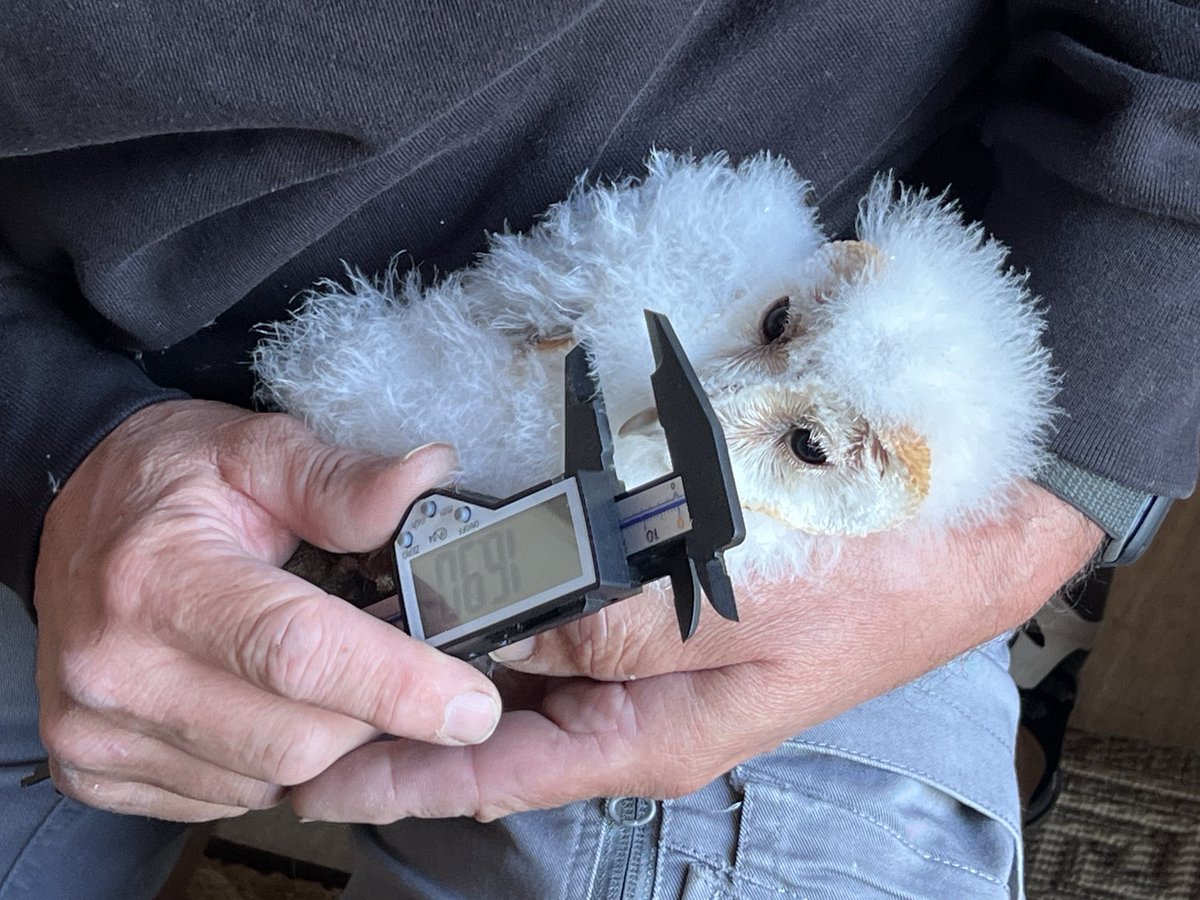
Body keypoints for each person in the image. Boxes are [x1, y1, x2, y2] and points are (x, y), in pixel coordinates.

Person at [1, 2, 1196, 898]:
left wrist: (1042, 501)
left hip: (798, 592)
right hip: (83, 389)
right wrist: (51, 447)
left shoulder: (833, 329)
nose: (729, 400)